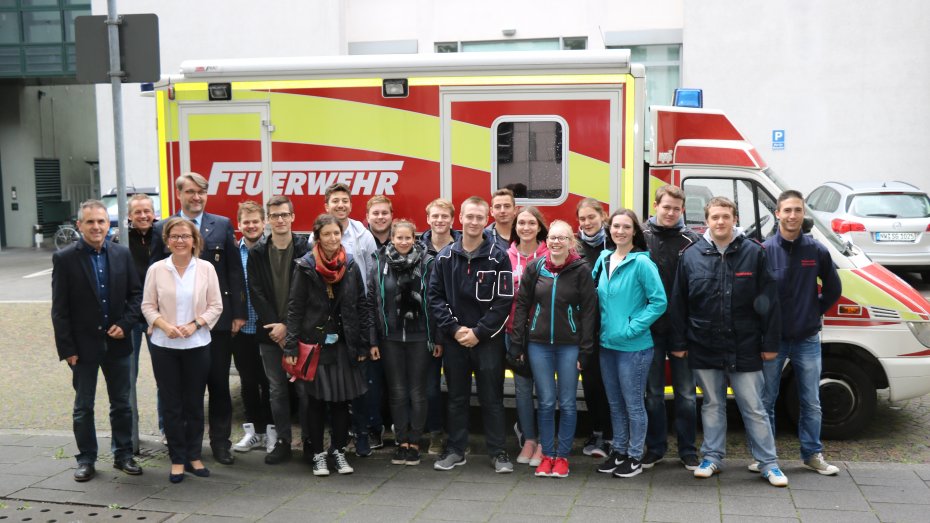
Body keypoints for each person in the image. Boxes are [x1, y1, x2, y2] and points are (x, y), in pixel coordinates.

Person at [670, 196, 788, 487]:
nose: (720, 222)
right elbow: (679, 304)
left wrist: (770, 344)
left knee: (754, 406)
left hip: (745, 344)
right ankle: (711, 458)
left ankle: (768, 463)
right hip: (703, 343)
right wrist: (679, 341)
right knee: (712, 404)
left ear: (735, 218)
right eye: (715, 217)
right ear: (706, 221)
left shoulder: (754, 253)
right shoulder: (691, 255)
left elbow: (770, 303)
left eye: (726, 216)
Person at [150, 172, 246, 466]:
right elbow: (153, 272)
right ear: (179, 194)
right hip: (172, 328)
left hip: (214, 323)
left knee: (218, 385)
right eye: (190, 192)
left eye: (201, 192)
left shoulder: (222, 224)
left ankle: (220, 443)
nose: (196, 197)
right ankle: (182, 446)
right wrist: (154, 321)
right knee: (179, 391)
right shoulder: (162, 228)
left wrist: (239, 313)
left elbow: (232, 270)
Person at [52, 200, 144, 483]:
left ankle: (123, 454)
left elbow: (136, 296)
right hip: (82, 349)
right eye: (90, 222)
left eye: (101, 221)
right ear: (79, 225)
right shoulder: (65, 258)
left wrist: (126, 324)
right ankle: (87, 459)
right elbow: (60, 309)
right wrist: (67, 350)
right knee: (84, 407)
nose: (96, 227)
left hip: (118, 344)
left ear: (109, 224)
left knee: (123, 404)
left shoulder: (121, 254)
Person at [428, 196, 514, 473]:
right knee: (456, 397)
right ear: (460, 219)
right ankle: (455, 450)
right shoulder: (444, 258)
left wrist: (479, 332)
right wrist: (454, 330)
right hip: (455, 341)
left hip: (487, 342)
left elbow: (503, 302)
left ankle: (498, 452)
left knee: (492, 398)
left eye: (479, 217)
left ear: (486, 219)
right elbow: (435, 299)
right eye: (469, 216)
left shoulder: (498, 257)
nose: (474, 222)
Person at [758, 190, 842, 475]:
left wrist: (813, 310)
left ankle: (812, 454)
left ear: (803, 213)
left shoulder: (816, 250)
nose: (792, 215)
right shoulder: (765, 250)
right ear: (777, 214)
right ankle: (764, 457)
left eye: (797, 210)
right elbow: (756, 295)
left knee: (811, 401)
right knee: (766, 399)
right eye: (787, 210)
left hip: (807, 338)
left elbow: (833, 288)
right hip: (774, 339)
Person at [510, 220, 597, 478]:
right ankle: (547, 455)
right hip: (538, 346)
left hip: (569, 346)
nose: (556, 242)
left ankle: (563, 457)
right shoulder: (536, 268)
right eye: (553, 238)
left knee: (568, 403)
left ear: (571, 242)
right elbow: (522, 306)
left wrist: (585, 350)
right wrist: (517, 343)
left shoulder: (581, 270)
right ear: (546, 241)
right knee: (546, 402)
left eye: (562, 238)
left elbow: (590, 312)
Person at [286, 214, 369, 476]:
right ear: (317, 237)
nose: (333, 239)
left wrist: (364, 343)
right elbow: (295, 309)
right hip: (316, 345)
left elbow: (362, 304)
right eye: (327, 234)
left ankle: (339, 451)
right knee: (316, 403)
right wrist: (290, 347)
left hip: (344, 344)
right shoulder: (305, 266)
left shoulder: (351, 264)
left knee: (341, 402)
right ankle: (317, 454)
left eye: (336, 233)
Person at [142, 217, 223, 483]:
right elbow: (147, 306)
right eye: (174, 236)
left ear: (194, 240)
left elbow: (216, 306)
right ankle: (177, 459)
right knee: (171, 404)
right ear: (167, 241)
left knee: (194, 404)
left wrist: (196, 324)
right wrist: (163, 325)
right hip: (165, 347)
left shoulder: (206, 268)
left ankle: (194, 456)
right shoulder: (156, 269)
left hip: (197, 345)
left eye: (185, 236)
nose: (180, 241)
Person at [592, 209, 667, 478]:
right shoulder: (603, 258)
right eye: (615, 226)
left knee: (633, 404)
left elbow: (659, 301)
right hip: (606, 345)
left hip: (634, 347)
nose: (620, 231)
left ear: (634, 231)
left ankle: (635, 456)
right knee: (615, 403)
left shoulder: (643, 264)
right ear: (609, 229)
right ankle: (619, 451)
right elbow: (594, 299)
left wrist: (633, 327)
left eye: (626, 227)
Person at [367, 219, 440, 466]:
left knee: (418, 391)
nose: (403, 242)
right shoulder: (379, 262)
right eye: (399, 238)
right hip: (391, 337)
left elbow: (435, 299)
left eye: (408, 238)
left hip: (420, 336)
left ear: (414, 238)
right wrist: (373, 340)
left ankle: (415, 441)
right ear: (392, 239)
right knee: (397, 392)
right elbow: (371, 302)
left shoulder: (428, 262)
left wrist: (436, 337)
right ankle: (401, 442)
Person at [248, 195, 312, 465]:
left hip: (301, 333)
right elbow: (256, 292)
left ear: (293, 217)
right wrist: (276, 326)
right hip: (270, 334)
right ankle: (283, 441)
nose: (280, 220)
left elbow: (310, 290)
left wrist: (289, 327)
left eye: (284, 215)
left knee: (305, 390)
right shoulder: (257, 253)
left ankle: (310, 441)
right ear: (268, 220)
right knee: (277, 390)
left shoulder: (305, 248)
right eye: (274, 216)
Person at [321, 183, 383, 455]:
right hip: (330, 321)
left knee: (360, 381)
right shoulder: (318, 235)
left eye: (345, 201)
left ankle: (362, 432)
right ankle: (339, 435)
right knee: (333, 381)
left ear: (350, 204)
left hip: (357, 318)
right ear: (327, 206)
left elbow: (371, 280)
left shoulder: (364, 236)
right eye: (335, 201)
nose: (341, 205)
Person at [642, 185, 701, 470]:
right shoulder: (641, 237)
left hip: (683, 329)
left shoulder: (692, 240)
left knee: (687, 395)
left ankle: (688, 450)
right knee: (653, 393)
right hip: (649, 329)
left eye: (676, 209)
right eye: (666, 207)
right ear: (656, 205)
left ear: (682, 211)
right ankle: (655, 448)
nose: (670, 213)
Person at [505, 206, 549, 467]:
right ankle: (529, 439)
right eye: (521, 222)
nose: (526, 227)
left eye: (531, 223)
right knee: (522, 390)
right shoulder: (505, 256)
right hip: (514, 332)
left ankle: (544, 441)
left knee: (544, 390)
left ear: (539, 226)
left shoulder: (549, 254)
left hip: (544, 334)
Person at [417, 198, 461, 454]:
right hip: (428, 332)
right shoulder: (417, 249)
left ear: (452, 220)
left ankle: (457, 438)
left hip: (455, 328)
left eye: (445, 216)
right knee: (431, 388)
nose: (440, 220)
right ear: (428, 219)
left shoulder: (461, 247)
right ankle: (435, 434)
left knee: (457, 389)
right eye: (435, 216)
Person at [231, 201, 274, 455]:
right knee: (247, 383)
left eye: (255, 221)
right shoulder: (233, 253)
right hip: (242, 329)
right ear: (239, 225)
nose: (251, 225)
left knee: (270, 383)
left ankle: (270, 431)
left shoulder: (271, 250)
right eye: (246, 222)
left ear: (264, 222)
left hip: (266, 328)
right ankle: (252, 432)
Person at [574, 198, 614, 458]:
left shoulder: (614, 243)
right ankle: (597, 432)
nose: (587, 223)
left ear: (602, 216)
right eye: (582, 219)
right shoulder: (574, 247)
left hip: (611, 325)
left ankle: (612, 435)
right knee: (591, 384)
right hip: (584, 327)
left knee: (611, 383)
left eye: (592, 217)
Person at [126, 193, 158, 451]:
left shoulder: (163, 236)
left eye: (147, 211)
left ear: (154, 212)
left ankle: (166, 430)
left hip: (159, 319)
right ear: (129, 216)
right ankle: (130, 436)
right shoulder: (120, 241)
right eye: (138, 212)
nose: (143, 216)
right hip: (132, 319)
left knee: (165, 378)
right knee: (128, 378)